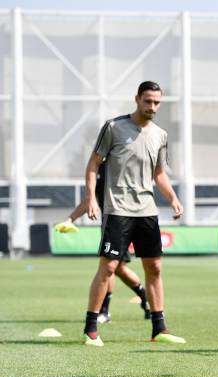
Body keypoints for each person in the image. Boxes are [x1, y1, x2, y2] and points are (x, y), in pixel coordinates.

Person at [81, 80, 185, 346]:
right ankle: (91, 328)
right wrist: (91, 198)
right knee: (109, 267)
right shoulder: (114, 127)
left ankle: (159, 328)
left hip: (146, 210)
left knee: (155, 267)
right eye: (148, 101)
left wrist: (173, 198)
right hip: (117, 209)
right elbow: (93, 165)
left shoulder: (160, 135)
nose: (152, 106)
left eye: (157, 102)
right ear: (137, 99)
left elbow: (159, 173)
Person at [54, 163, 151, 323]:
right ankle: (144, 298)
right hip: (109, 224)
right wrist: (70, 219)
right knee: (116, 268)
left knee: (111, 267)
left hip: (123, 222)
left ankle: (105, 312)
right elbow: (90, 200)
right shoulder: (99, 167)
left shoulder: (122, 165)